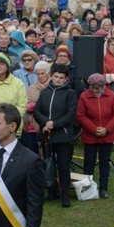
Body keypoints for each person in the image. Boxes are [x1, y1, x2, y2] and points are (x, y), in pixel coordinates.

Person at [34, 64, 78, 207]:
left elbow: (71, 115)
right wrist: (46, 123)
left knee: (63, 167)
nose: (58, 80)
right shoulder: (45, 92)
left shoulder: (70, 93)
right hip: (47, 136)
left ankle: (64, 195)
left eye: (61, 78)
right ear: (51, 76)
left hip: (63, 137)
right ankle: (52, 192)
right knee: (48, 164)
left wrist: (54, 124)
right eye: (56, 77)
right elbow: (36, 111)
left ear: (66, 79)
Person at [76, 73, 114, 199]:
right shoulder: (84, 96)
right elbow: (80, 115)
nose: (95, 90)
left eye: (98, 87)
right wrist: (93, 129)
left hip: (107, 135)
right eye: (92, 87)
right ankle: (88, 188)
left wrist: (106, 129)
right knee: (89, 162)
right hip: (90, 135)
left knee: (104, 162)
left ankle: (103, 188)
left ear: (103, 86)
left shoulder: (111, 95)